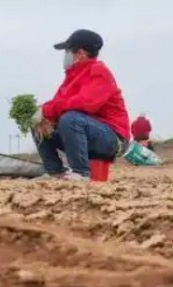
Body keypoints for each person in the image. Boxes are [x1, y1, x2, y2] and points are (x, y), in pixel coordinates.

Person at [30, 29, 130, 181]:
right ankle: (55, 171)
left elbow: (86, 103)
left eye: (68, 51)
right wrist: (40, 112)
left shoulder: (99, 72)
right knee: (38, 122)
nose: (65, 55)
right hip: (86, 132)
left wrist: (47, 110)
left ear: (80, 53)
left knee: (70, 118)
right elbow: (58, 104)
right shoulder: (72, 76)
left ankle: (81, 173)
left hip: (112, 138)